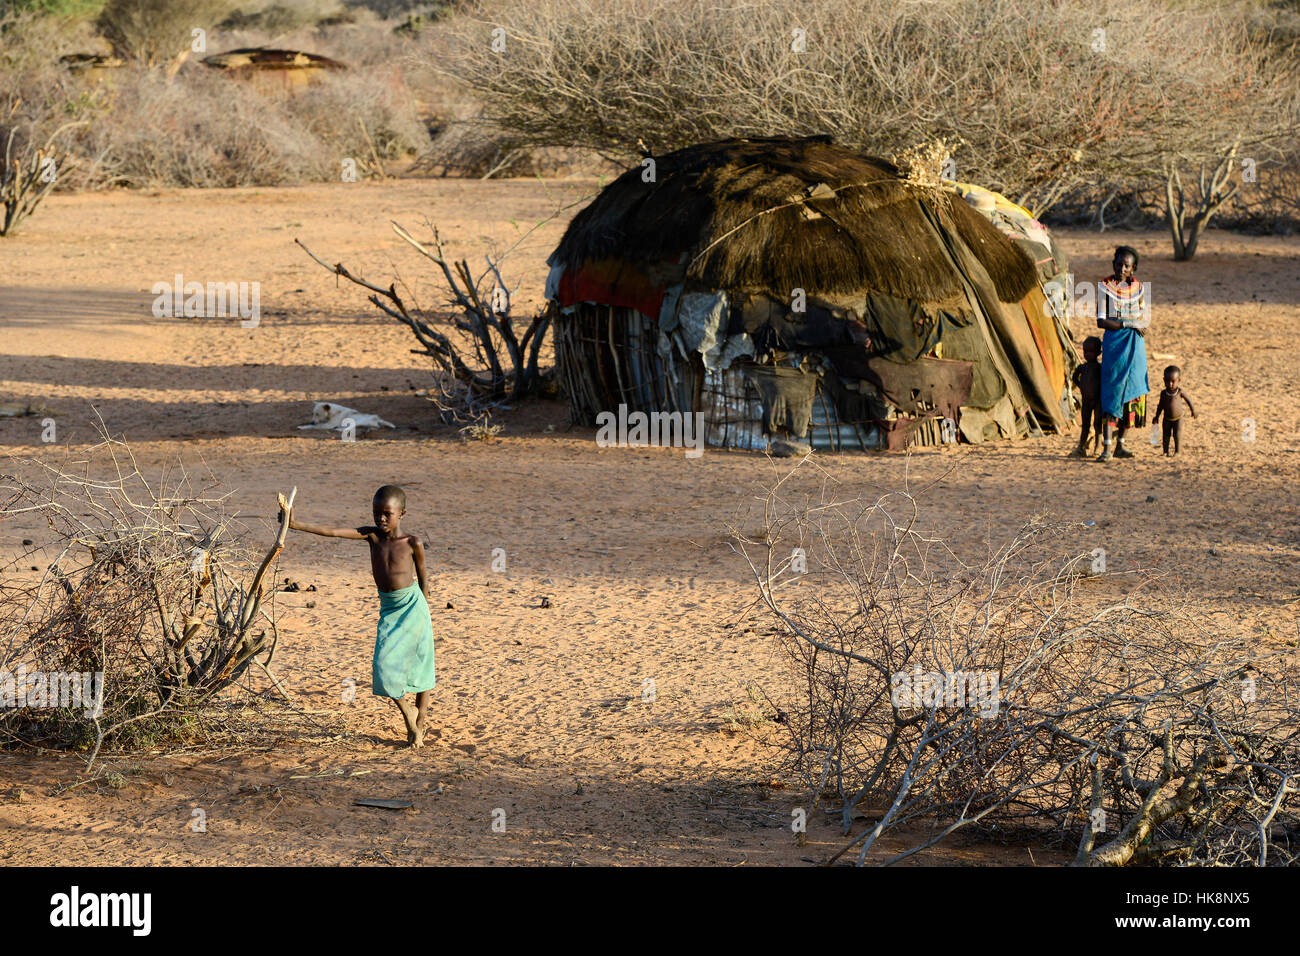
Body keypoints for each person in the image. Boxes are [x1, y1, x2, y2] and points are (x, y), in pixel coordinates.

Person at [282, 485, 436, 748]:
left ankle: (419, 721)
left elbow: (424, 581)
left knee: (421, 663)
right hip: (389, 608)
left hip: (414, 607)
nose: (381, 519)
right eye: (377, 513)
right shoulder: (371, 537)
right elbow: (332, 531)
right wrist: (294, 524)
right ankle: (408, 714)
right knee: (382, 666)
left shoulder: (412, 543)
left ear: (402, 513)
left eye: (387, 514)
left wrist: (424, 615)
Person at [1095, 246, 1149, 461]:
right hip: (1115, 346)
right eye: (1119, 264)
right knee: (1112, 391)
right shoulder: (1105, 287)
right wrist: (1128, 322)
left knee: (1134, 393)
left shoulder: (1139, 289)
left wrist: (1139, 323)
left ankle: (1120, 445)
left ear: (1133, 268)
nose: (1121, 268)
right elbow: (1101, 321)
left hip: (1135, 346)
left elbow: (1143, 317)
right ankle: (1106, 449)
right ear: (1113, 264)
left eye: (1126, 265)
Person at [1070, 336, 1103, 457]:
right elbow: (1074, 377)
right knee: (1085, 425)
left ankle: (1097, 448)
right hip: (1086, 402)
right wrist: (1081, 386)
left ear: (1098, 353)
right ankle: (1081, 447)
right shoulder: (1082, 367)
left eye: (1091, 352)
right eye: (1085, 351)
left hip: (1098, 401)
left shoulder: (1100, 368)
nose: (1087, 354)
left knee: (1098, 425)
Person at [1153, 365, 1196, 456]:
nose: (1170, 384)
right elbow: (1160, 405)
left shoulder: (1180, 392)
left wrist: (1193, 410)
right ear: (1164, 380)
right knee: (1166, 435)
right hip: (1166, 418)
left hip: (1178, 418)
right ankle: (1165, 451)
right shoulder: (1163, 393)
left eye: (1173, 381)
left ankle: (1177, 451)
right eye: (1167, 381)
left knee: (1177, 435)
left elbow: (1189, 401)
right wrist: (1157, 416)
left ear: (1178, 380)